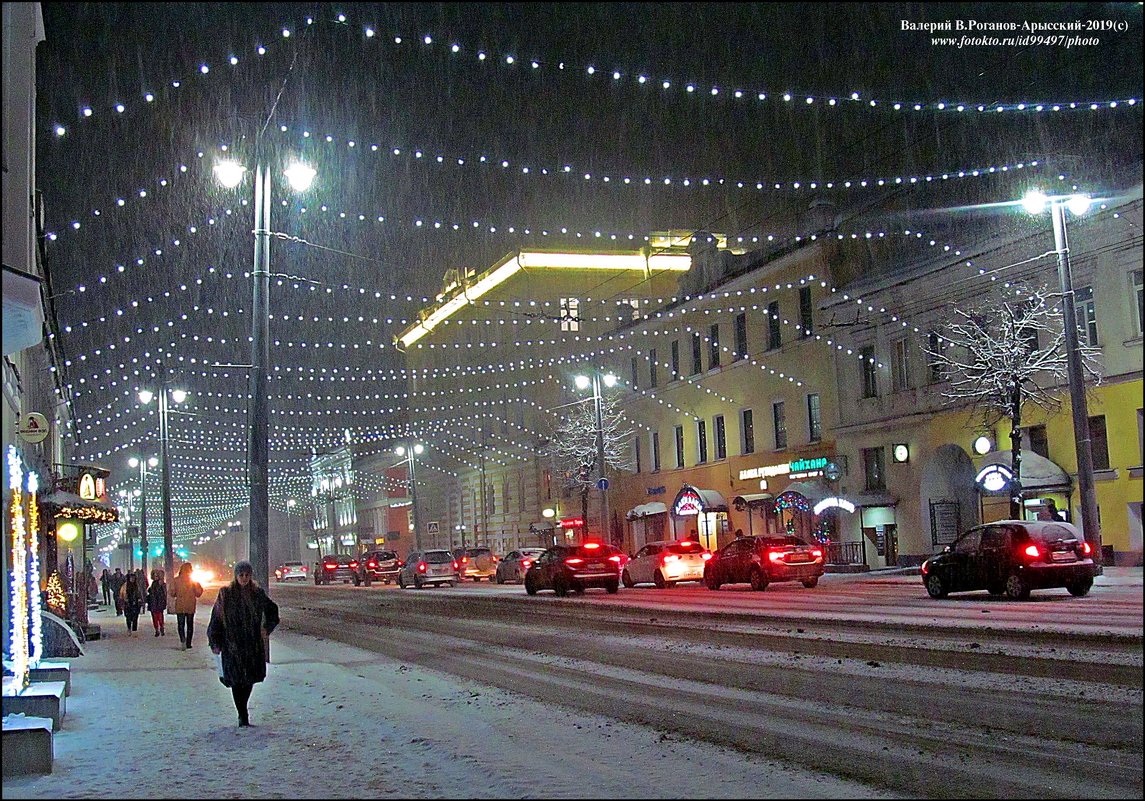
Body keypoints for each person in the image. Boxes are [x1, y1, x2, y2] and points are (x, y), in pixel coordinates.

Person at [208, 561, 280, 727]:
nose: (244, 578)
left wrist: (266, 629)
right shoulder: (226, 594)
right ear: (236, 576)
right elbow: (216, 618)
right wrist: (215, 640)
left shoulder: (257, 594)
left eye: (247, 575)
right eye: (241, 575)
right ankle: (242, 713)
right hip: (232, 643)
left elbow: (272, 611)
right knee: (236, 679)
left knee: (248, 679)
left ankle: (243, 708)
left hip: (251, 643)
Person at [169, 562, 203, 650]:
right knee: (190, 624)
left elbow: (172, 593)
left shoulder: (176, 580)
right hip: (190, 605)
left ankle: (182, 640)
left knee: (180, 624)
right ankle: (188, 643)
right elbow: (198, 593)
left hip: (180, 605)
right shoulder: (193, 581)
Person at [147, 569, 168, 637]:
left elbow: (162, 594)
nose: (155, 577)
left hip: (158, 603)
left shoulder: (161, 584)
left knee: (159, 616)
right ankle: (157, 629)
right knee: (155, 617)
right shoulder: (154, 583)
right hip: (155, 602)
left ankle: (160, 627)